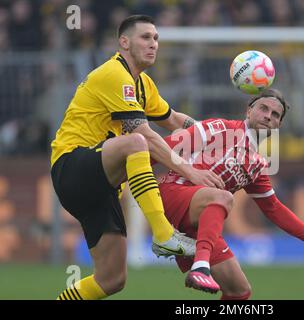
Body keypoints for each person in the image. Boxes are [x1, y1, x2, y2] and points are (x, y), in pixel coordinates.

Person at [51, 15, 225, 300]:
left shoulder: (143, 83)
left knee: (112, 279)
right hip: (72, 166)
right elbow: (142, 133)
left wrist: (217, 133)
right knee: (136, 141)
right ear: (124, 42)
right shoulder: (113, 74)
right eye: (145, 37)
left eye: (156, 38)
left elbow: (172, 119)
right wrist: (191, 172)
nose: (153, 44)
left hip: (99, 188)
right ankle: (163, 234)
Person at [152, 88, 304, 299]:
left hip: (199, 220)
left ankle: (200, 263)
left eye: (275, 115)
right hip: (172, 192)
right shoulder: (220, 128)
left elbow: (274, 208)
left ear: (278, 125)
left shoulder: (257, 164)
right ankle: (201, 267)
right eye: (263, 108)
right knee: (222, 197)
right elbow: (161, 148)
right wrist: (122, 179)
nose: (268, 116)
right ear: (249, 111)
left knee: (239, 291)